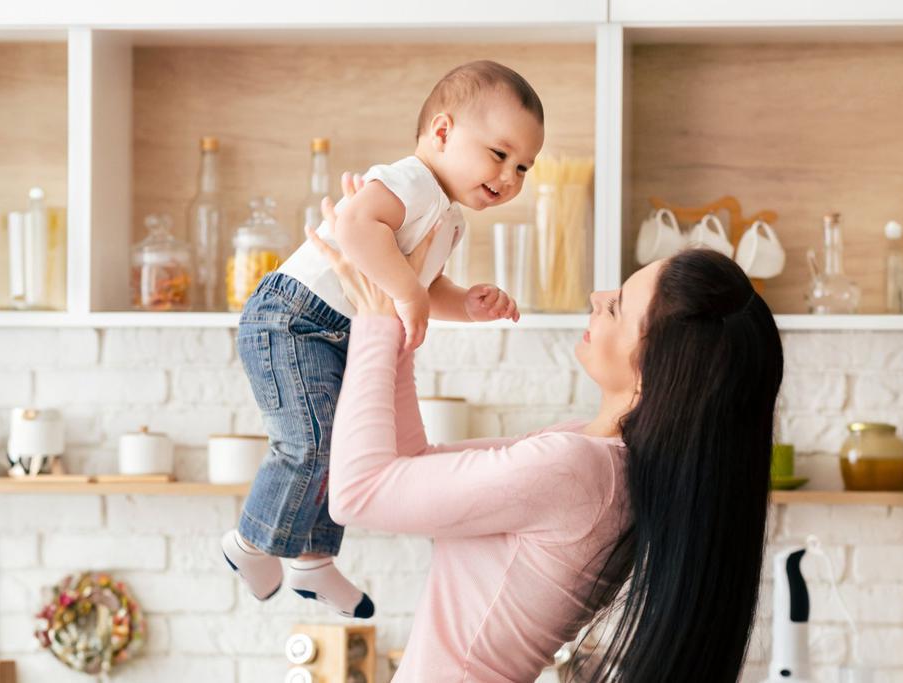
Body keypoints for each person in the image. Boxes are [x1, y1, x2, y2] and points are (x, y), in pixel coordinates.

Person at [311, 186, 785, 681]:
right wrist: (401, 311)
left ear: (655, 372)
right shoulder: (594, 456)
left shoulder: (576, 470)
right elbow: (411, 464)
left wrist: (375, 323)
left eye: (617, 306)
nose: (597, 297)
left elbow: (357, 494)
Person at [220, 60, 544, 618]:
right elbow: (357, 228)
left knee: (341, 449)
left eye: (523, 167)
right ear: (441, 132)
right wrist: (409, 296)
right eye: (499, 154)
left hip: (333, 332)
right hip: (292, 318)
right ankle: (249, 543)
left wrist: (463, 303)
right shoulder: (410, 180)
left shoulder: (451, 219)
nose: (510, 177)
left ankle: (313, 560)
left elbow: (424, 283)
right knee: (311, 443)